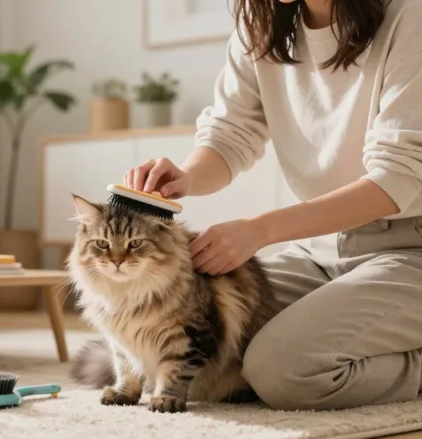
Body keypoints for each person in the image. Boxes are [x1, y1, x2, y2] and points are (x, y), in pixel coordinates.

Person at [125, 0, 422, 410]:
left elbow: (398, 179)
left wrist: (260, 230)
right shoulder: (262, 24)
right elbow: (231, 133)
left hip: (411, 250)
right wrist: (187, 177)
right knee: (202, 339)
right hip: (323, 245)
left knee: (281, 372)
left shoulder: (411, 16)